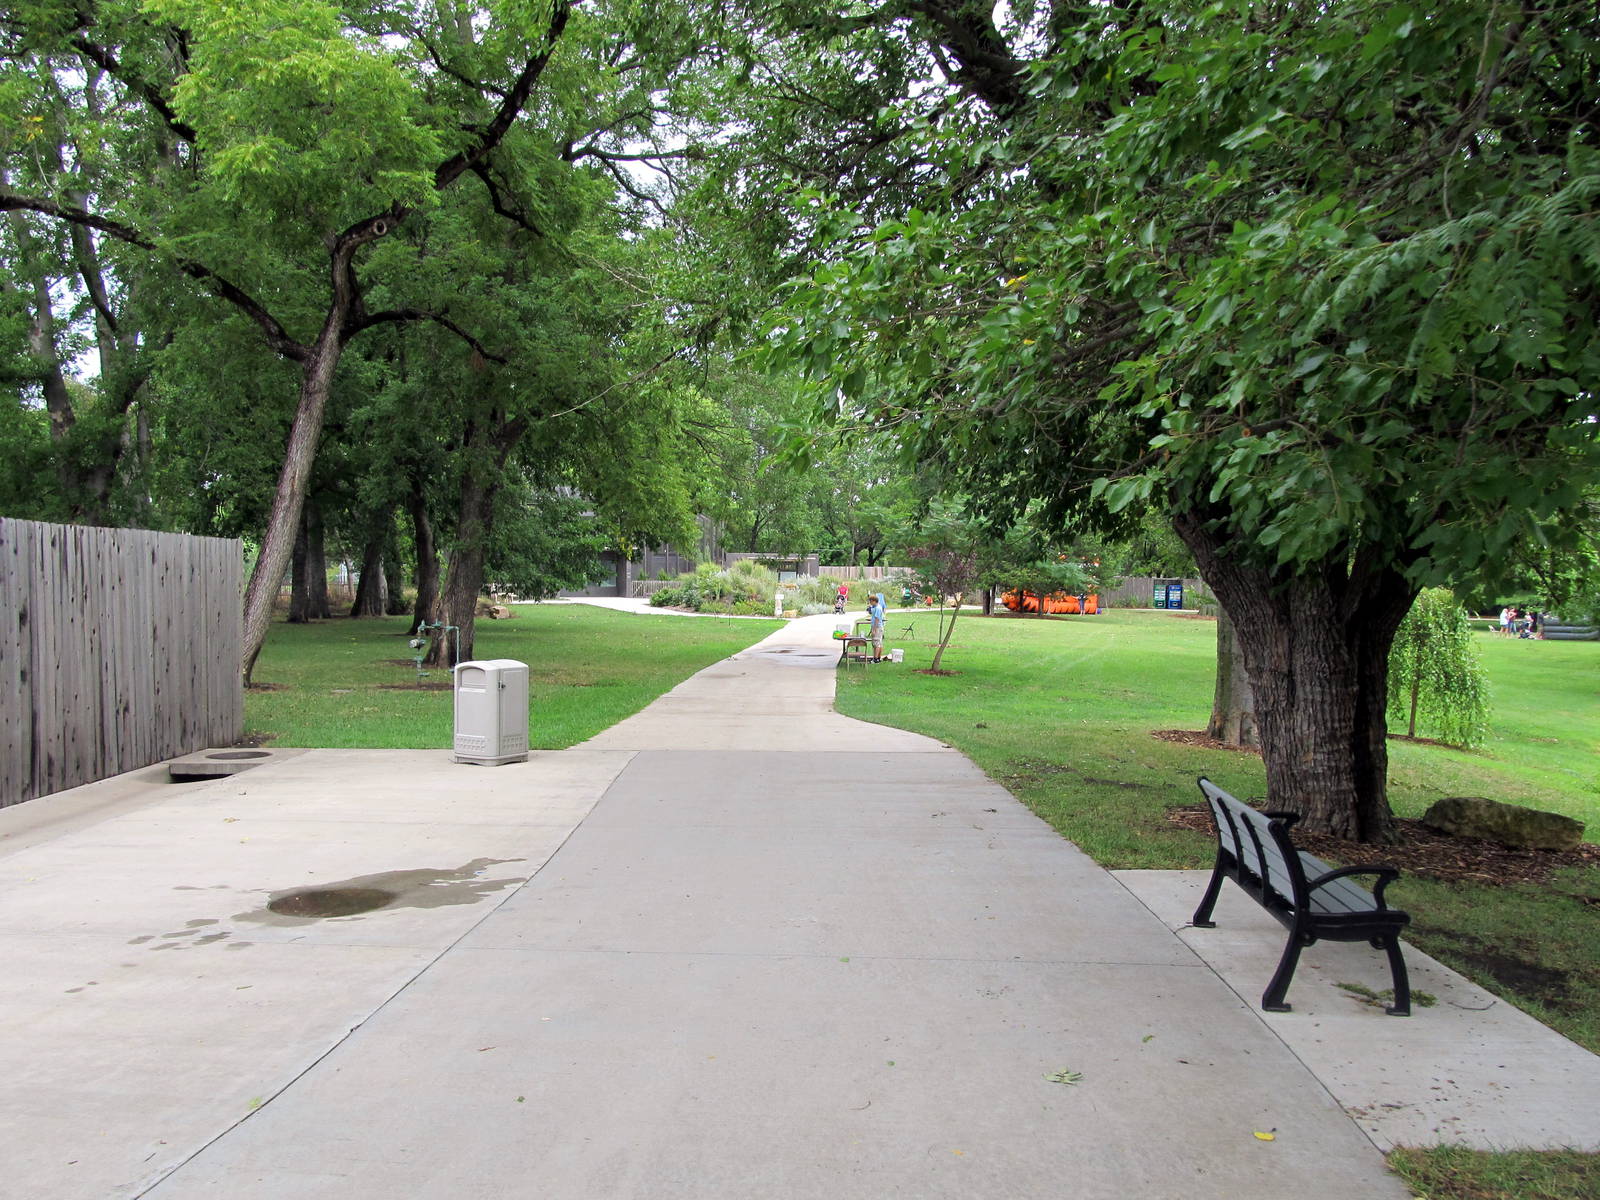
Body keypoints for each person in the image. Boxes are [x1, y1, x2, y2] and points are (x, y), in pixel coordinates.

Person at [868, 592, 887, 662]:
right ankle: (878, 658)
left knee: (876, 643)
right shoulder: (875, 607)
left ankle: (875, 659)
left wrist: (874, 630)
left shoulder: (878, 608)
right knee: (879, 642)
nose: (870, 603)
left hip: (877, 627)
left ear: (874, 601)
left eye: (870, 601)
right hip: (877, 626)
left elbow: (877, 619)